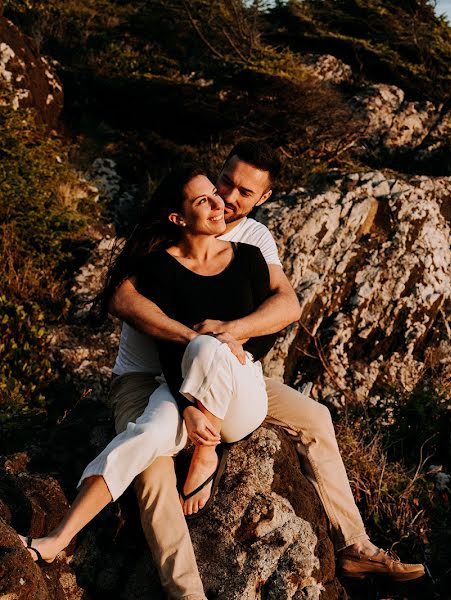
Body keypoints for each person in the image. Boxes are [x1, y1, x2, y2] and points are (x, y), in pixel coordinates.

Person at [22, 142, 425, 596]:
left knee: (316, 418)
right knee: (153, 470)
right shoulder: (164, 232)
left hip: (226, 373)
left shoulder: (253, 240)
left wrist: (231, 330)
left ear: (262, 200)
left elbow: (287, 302)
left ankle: (354, 545)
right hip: (147, 376)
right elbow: (122, 299)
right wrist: (193, 337)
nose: (229, 196)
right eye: (225, 182)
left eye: (243, 192)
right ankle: (187, 591)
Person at [19, 165, 278, 571]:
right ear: (178, 218)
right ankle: (57, 538)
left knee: (208, 343)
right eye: (203, 200)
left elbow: (267, 331)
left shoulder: (249, 256)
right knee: (148, 433)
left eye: (215, 193)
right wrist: (188, 405)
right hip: (185, 385)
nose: (219, 203)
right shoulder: (159, 268)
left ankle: (206, 453)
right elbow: (168, 351)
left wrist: (233, 341)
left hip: (241, 396)